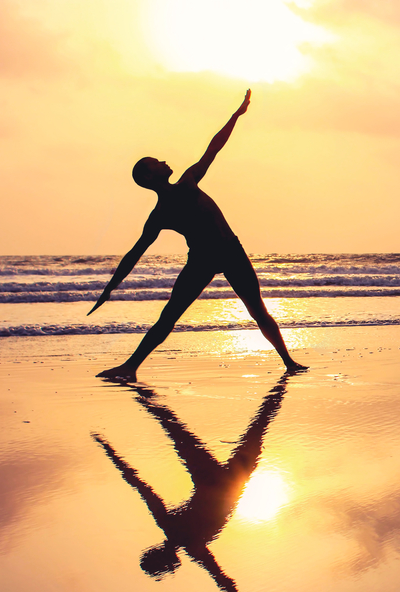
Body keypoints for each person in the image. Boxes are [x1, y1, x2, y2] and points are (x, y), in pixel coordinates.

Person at [89, 90, 305, 381]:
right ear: (150, 177)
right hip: (202, 259)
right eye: (157, 163)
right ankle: (130, 367)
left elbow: (214, 147)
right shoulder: (169, 205)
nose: (164, 161)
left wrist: (236, 116)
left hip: (230, 251)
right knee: (170, 315)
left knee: (257, 310)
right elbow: (134, 254)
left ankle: (289, 362)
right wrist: (109, 288)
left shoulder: (183, 188)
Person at [92, 375, 291, 592]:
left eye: (166, 566)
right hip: (214, 479)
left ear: (167, 558)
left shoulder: (191, 545)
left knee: (258, 424)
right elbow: (140, 485)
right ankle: (138, 390)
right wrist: (110, 452)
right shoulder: (175, 531)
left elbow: (222, 579)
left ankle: (137, 387)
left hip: (227, 482)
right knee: (174, 427)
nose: (172, 568)